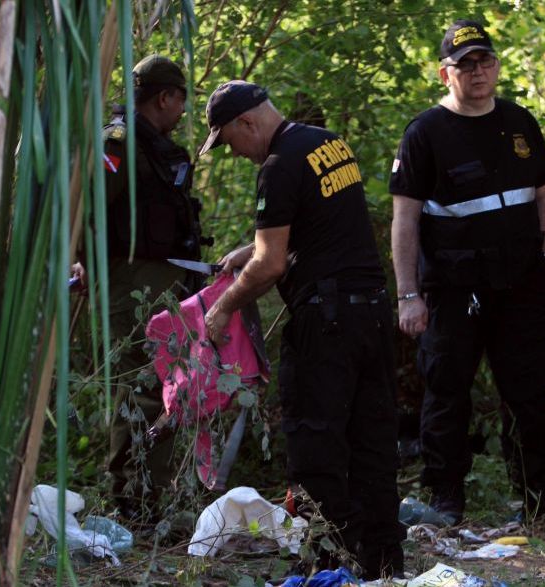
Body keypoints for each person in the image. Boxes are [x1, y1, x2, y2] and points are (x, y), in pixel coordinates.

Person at [198, 81, 404, 579]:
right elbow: (321, 225)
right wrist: (250, 249)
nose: (237, 154)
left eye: (229, 141)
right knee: (372, 443)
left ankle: (327, 565)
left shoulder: (277, 165)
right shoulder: (326, 143)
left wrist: (223, 308)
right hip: (373, 315)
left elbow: (270, 266)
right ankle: (382, 563)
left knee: (317, 447)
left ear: (247, 123)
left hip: (327, 324)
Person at [389, 19, 545, 524]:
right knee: (447, 391)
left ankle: (541, 501)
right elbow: (405, 220)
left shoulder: (518, 121)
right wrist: (408, 295)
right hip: (454, 288)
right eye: (465, 65)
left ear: (496, 66)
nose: (478, 72)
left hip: (522, 285)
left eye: (485, 62)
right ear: (445, 74)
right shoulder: (425, 133)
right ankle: (446, 500)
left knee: (529, 391)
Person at [79, 54, 210, 513]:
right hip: (129, 287)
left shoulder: (153, 146)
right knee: (139, 390)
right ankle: (131, 499)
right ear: (164, 97)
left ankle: (149, 495)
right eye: (180, 100)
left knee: (165, 388)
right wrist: (81, 263)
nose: (182, 111)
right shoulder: (120, 143)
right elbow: (85, 205)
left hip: (163, 286)